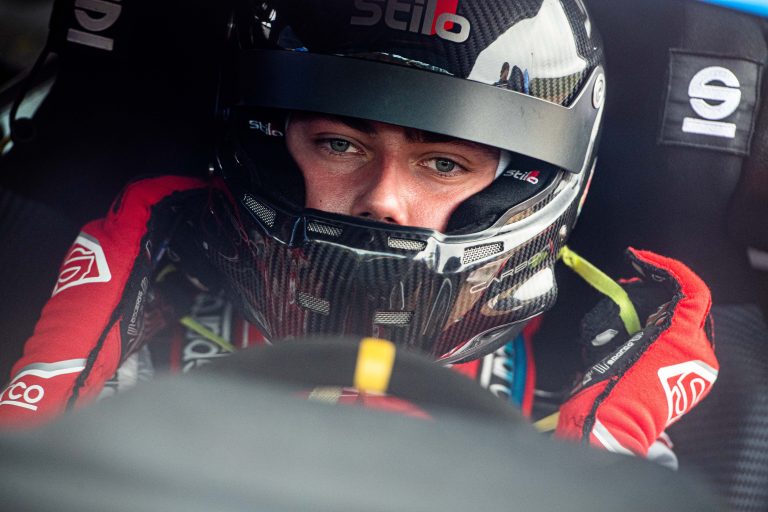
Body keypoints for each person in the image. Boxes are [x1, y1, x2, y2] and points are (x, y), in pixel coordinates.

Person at [0, 0, 718, 465]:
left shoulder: (588, 369)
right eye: (340, 145)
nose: (383, 201)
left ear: (523, 186)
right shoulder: (134, 314)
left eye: (442, 163)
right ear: (268, 146)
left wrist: (602, 479)